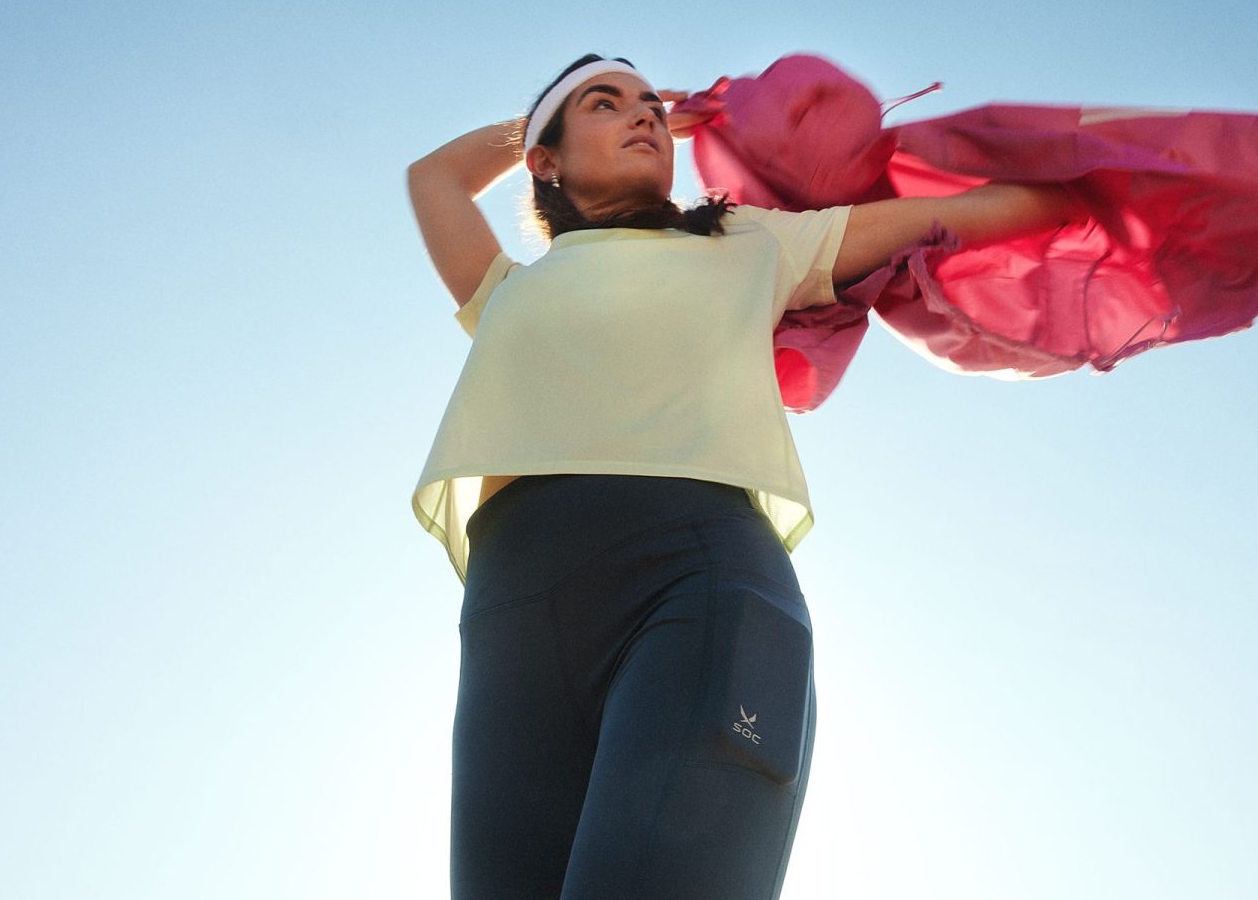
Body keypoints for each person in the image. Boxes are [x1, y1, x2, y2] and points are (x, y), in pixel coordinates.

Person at [406, 54, 1073, 900]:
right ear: (545, 159)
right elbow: (435, 177)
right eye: (608, 107)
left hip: (697, 583)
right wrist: (545, 118)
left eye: (651, 104)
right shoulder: (500, 289)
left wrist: (1154, 190)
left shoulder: (750, 243)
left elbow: (955, 215)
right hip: (512, 618)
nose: (643, 115)